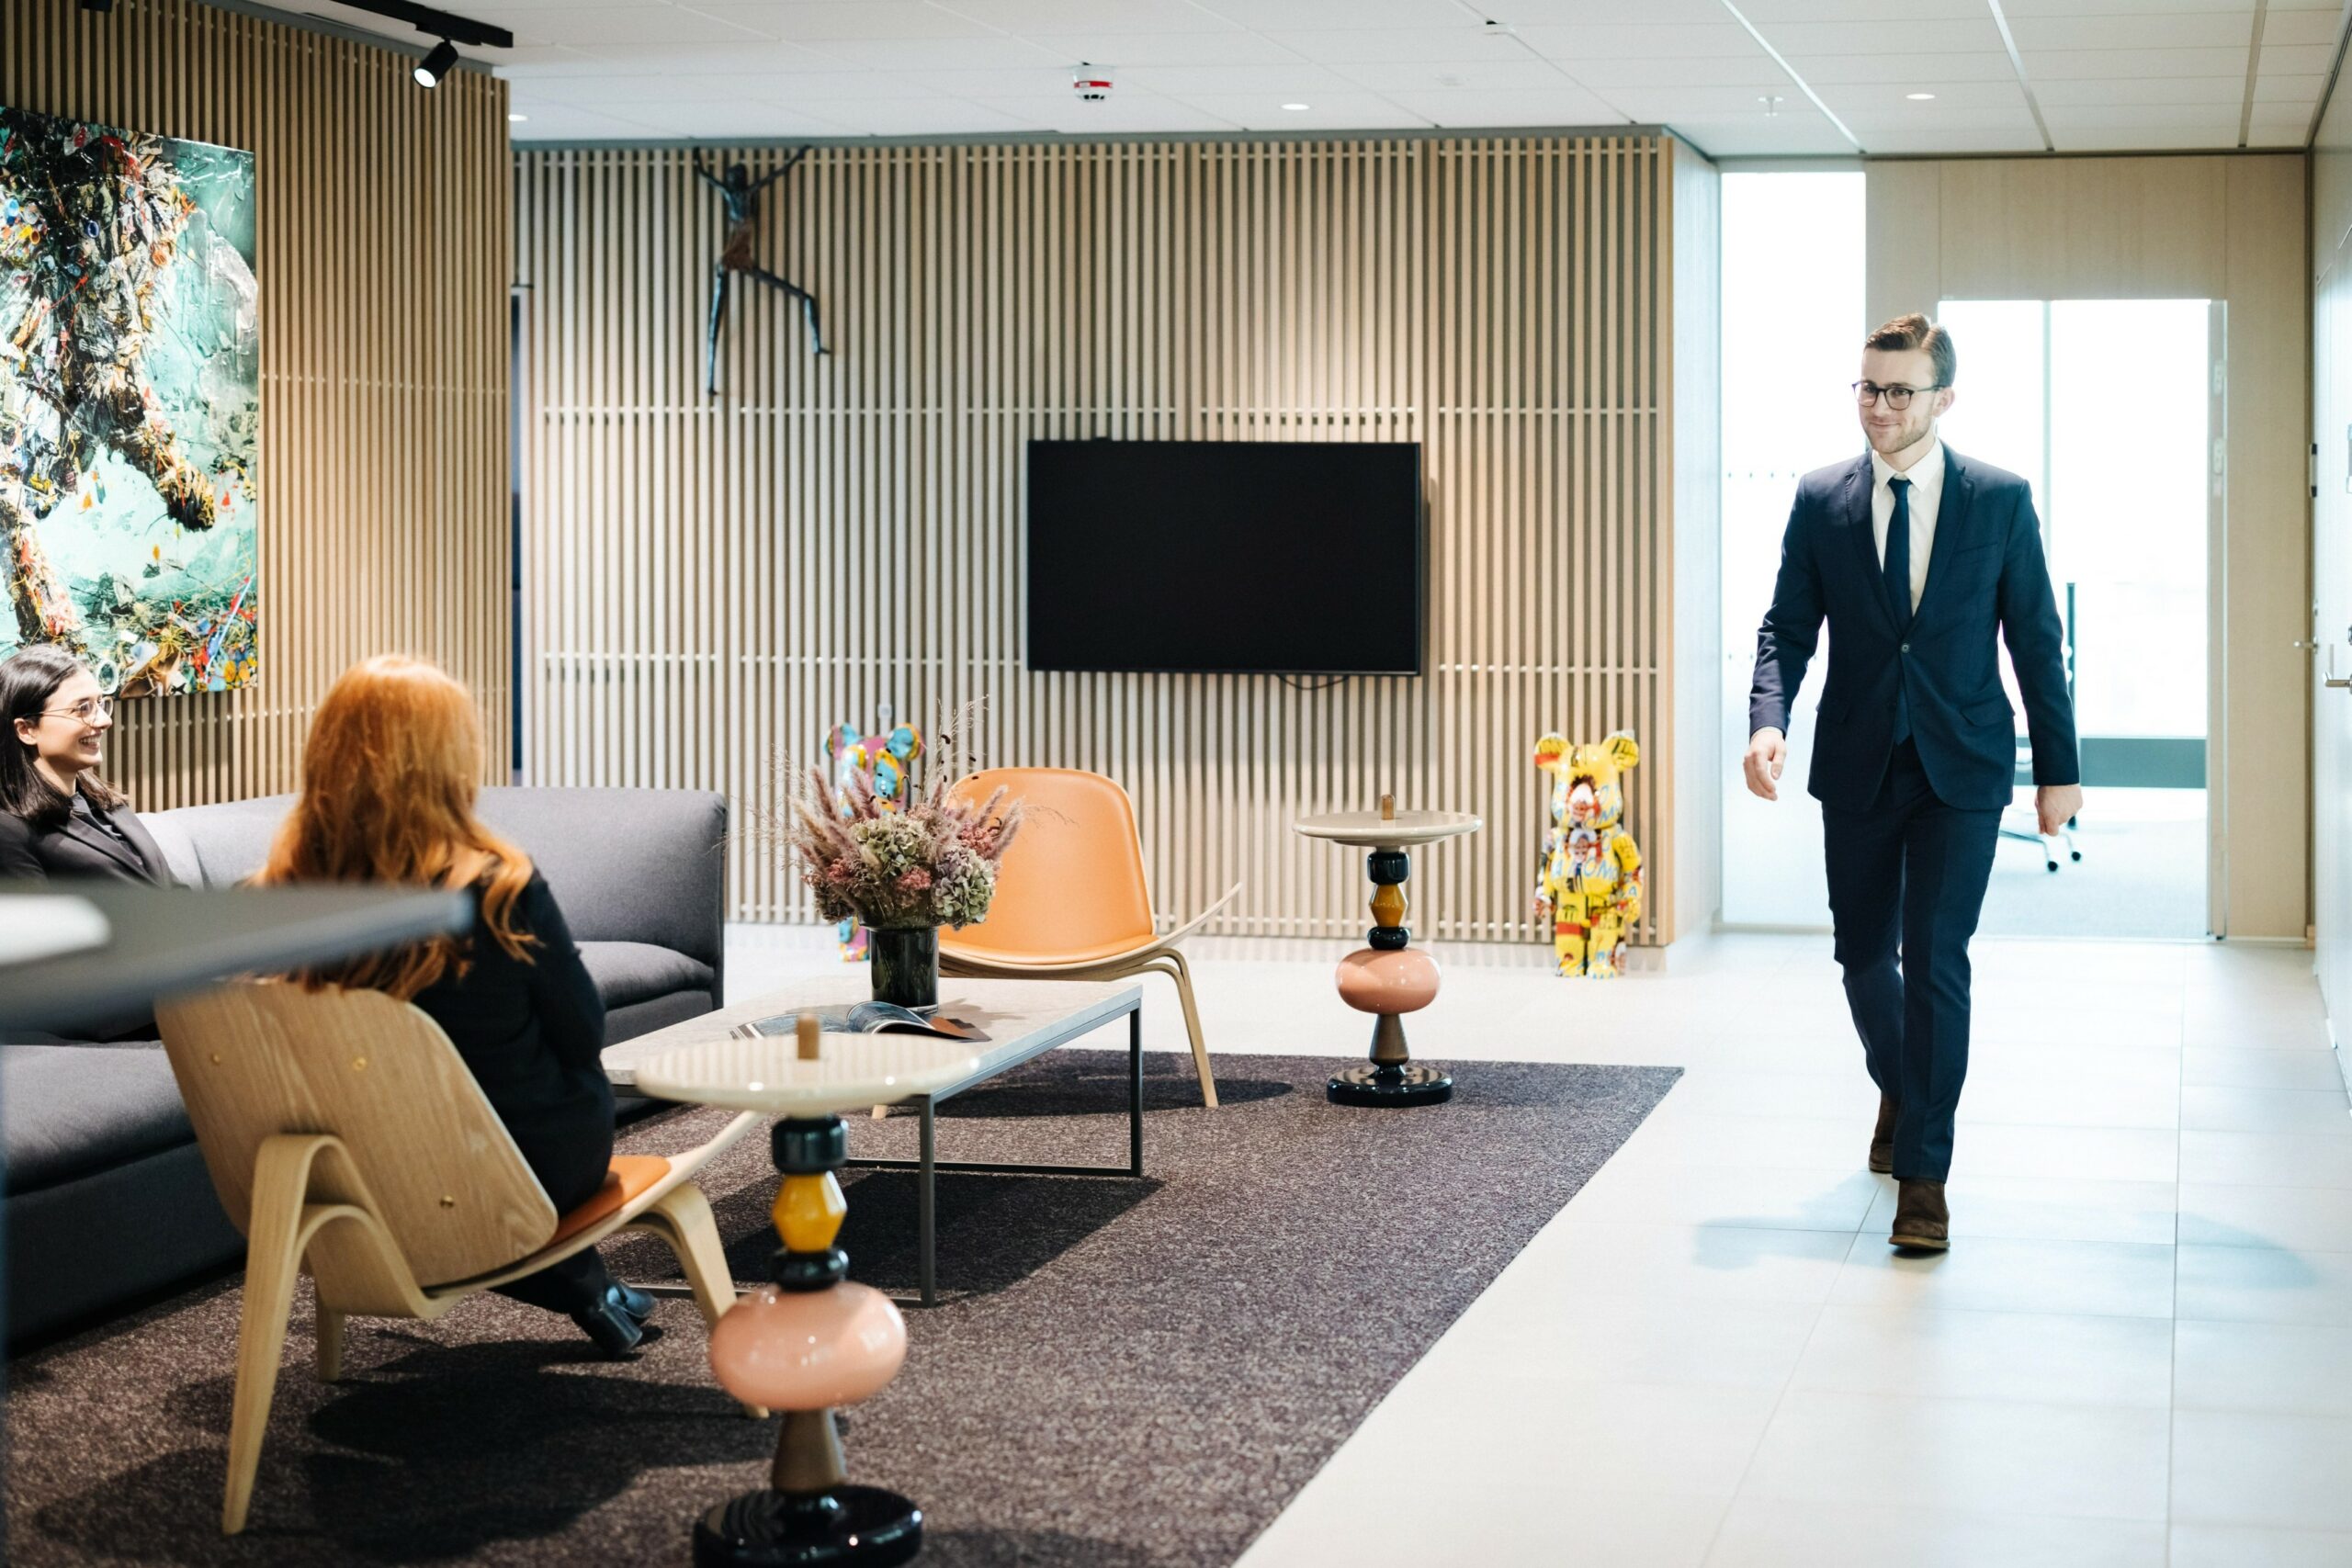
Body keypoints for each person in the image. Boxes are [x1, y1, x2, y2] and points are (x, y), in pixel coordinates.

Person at [1744, 312, 2082, 1252]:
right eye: (1867, 387)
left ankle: (1924, 1179)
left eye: (1898, 390)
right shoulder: (1822, 498)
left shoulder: (1998, 500)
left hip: (1961, 766)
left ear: (1943, 398)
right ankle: (1903, 1083)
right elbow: (1786, 627)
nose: (1879, 407)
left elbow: (2035, 639)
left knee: (1935, 957)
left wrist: (2059, 771)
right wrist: (1768, 722)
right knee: (1862, 956)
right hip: (1858, 761)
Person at [254, 654, 655, 1354]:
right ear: (447, 763)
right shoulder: (499, 890)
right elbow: (583, 1032)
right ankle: (579, 1278)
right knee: (555, 1087)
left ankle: (588, 1284)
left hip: (354, 1172)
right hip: (524, 1170)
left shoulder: (274, 898)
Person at [0, 645, 171, 884]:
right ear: (27, 730)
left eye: (100, 703)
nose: (105, 720)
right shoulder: (9, 831)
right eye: (83, 708)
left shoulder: (102, 800)